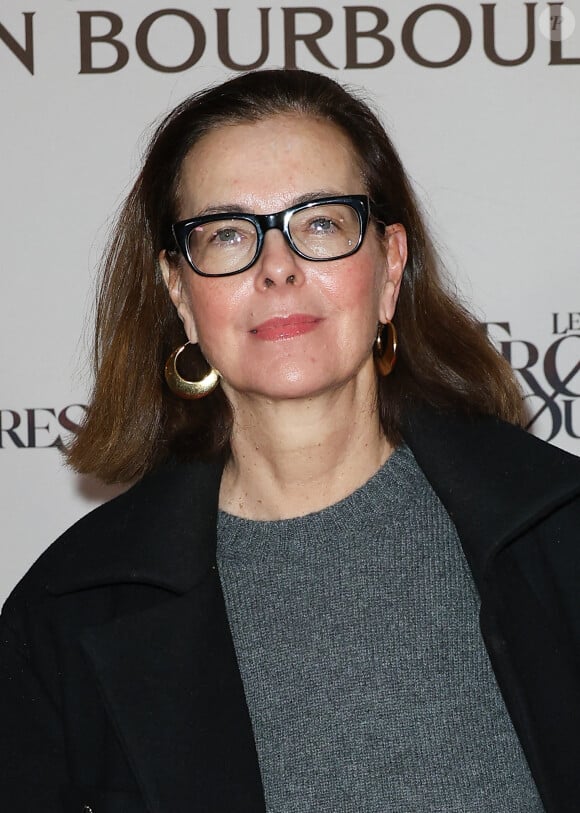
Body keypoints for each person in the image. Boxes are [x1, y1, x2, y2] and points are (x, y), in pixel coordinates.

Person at [1, 69, 579, 813]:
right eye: (228, 234)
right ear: (180, 292)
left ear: (389, 266)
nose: (277, 268)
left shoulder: (558, 531)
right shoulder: (69, 610)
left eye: (321, 223)